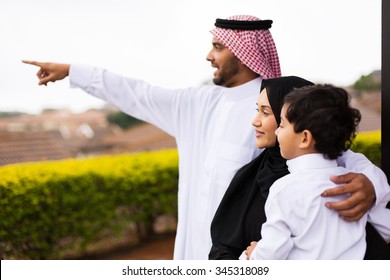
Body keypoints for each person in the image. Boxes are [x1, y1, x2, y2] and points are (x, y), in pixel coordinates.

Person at [23, 15, 383, 260]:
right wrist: (74, 71)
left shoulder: (286, 99)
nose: (208, 55)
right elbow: (135, 92)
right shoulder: (196, 104)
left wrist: (372, 186)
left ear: (242, 52)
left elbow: (331, 151)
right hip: (199, 254)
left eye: (217, 46)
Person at [209, 77, 390, 260]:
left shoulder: (344, 180)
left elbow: (269, 255)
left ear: (305, 137)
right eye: (258, 110)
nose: (254, 121)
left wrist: (251, 256)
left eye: (268, 113)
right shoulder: (250, 176)